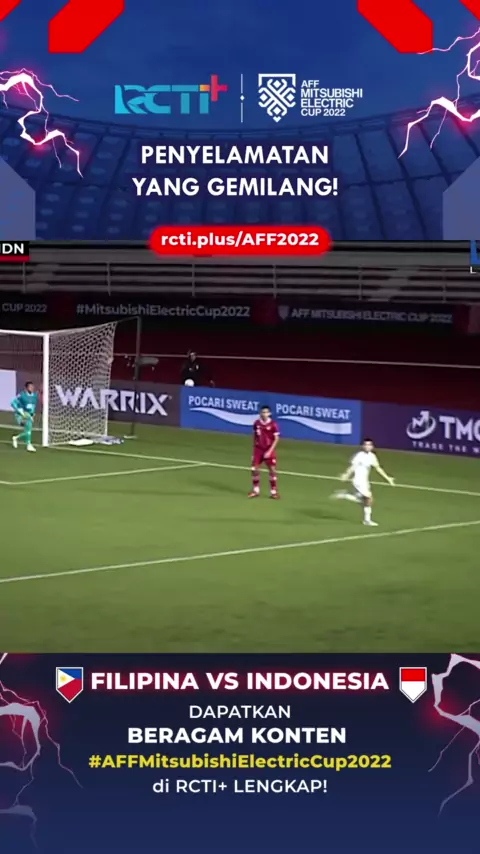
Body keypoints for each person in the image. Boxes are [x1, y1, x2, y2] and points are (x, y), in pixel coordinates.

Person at [332, 438, 394, 526]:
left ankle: (345, 495)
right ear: (363, 446)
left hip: (365, 481)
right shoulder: (359, 455)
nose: (367, 446)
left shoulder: (372, 456)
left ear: (372, 446)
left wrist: (388, 478)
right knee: (368, 499)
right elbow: (352, 467)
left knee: (364, 500)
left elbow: (378, 468)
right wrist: (346, 475)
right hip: (358, 481)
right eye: (366, 445)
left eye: (369, 445)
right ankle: (367, 520)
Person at [249, 405, 280, 499]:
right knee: (254, 469)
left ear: (269, 414)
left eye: (266, 412)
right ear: (260, 413)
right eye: (262, 412)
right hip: (258, 449)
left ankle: (273, 492)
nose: (264, 414)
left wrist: (270, 451)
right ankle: (256, 490)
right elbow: (255, 436)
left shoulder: (273, 424)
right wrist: (254, 451)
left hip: (268, 449)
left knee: (272, 470)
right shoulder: (256, 423)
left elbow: (276, 439)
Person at [11, 381, 38, 452]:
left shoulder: (34, 396)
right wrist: (20, 411)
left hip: (28, 415)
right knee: (28, 429)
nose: (32, 388)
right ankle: (28, 445)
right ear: (26, 388)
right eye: (30, 387)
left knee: (28, 430)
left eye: (32, 387)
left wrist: (32, 415)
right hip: (19, 415)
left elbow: (33, 406)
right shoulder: (21, 395)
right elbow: (12, 403)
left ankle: (17, 438)